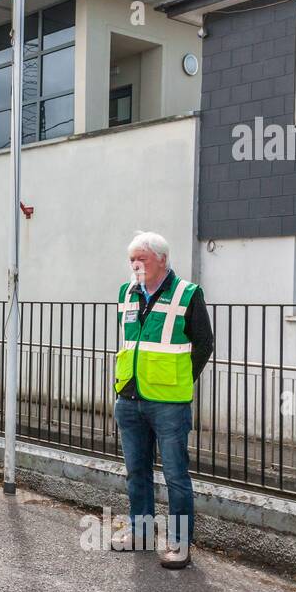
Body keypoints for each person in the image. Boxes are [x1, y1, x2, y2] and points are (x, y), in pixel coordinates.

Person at [111, 231, 213, 569]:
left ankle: (179, 544)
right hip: (129, 397)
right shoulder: (127, 292)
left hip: (169, 402)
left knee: (175, 475)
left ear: (163, 260)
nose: (135, 265)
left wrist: (180, 379)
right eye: (132, 260)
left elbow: (204, 344)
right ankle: (141, 532)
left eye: (142, 259)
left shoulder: (187, 294)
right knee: (136, 471)